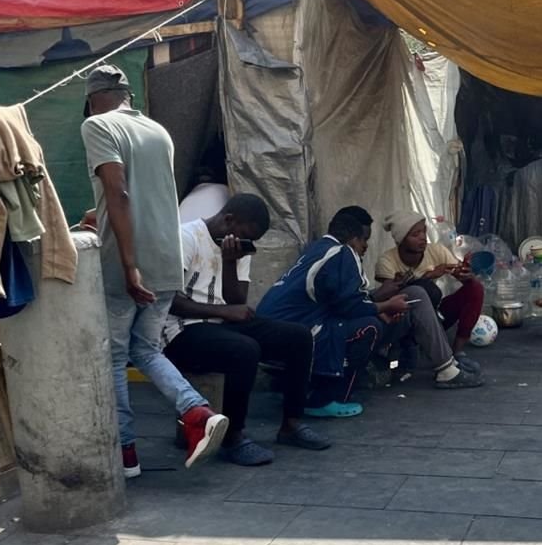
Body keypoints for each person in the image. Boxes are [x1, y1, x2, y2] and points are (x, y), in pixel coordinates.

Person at [80, 65, 228, 479]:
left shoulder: (97, 127)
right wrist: (100, 216)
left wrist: (128, 265)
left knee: (113, 357)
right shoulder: (157, 131)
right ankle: (196, 410)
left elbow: (119, 191)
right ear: (129, 95)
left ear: (93, 100)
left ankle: (125, 453)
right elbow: (143, 198)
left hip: (130, 262)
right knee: (146, 350)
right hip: (167, 256)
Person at [164, 194, 331, 466]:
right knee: (244, 350)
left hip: (222, 324)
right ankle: (233, 437)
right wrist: (222, 312)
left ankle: (291, 424)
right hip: (182, 331)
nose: (248, 243)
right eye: (246, 234)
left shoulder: (238, 248)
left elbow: (236, 300)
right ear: (229, 219)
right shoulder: (186, 237)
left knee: (298, 337)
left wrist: (230, 262)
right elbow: (169, 302)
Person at [257, 207, 411, 418]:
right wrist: (386, 306)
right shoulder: (342, 252)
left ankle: (310, 389)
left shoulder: (318, 248)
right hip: (291, 330)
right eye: (363, 240)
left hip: (268, 328)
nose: (365, 247)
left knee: (363, 320)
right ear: (352, 238)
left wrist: (377, 307)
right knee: (369, 328)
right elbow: (350, 305)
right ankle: (327, 398)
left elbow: (336, 302)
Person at [375, 209, 486, 361]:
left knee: (475, 288)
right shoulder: (387, 261)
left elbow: (464, 277)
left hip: (435, 315)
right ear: (400, 240)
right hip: (404, 318)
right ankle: (404, 348)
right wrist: (428, 276)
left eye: (424, 231)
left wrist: (467, 274)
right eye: (415, 234)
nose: (422, 238)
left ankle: (457, 352)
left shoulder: (436, 250)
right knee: (427, 290)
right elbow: (389, 296)